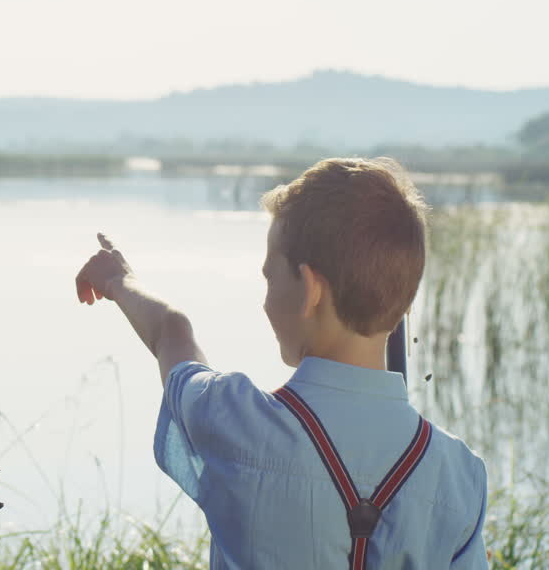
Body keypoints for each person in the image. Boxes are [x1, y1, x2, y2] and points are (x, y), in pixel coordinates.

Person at [75, 157, 488, 569]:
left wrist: (119, 280)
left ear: (310, 289)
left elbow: (171, 332)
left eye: (270, 277)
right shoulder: (461, 476)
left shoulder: (234, 420)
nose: (266, 298)